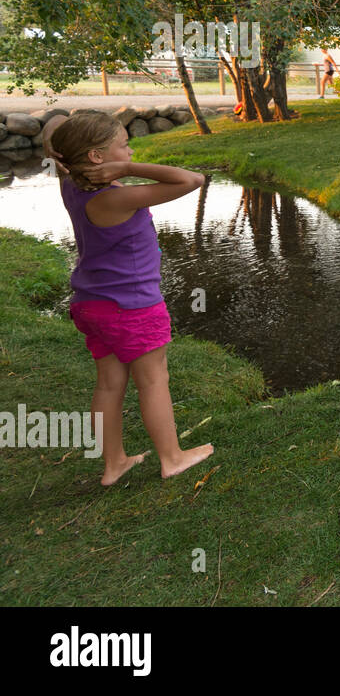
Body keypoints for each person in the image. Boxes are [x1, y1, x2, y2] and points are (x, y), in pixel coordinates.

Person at [46, 112, 214, 485]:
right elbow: (193, 179)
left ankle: (114, 464)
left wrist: (105, 161)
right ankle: (172, 458)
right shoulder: (118, 199)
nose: (130, 149)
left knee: (108, 384)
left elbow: (55, 126)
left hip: (90, 304)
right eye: (124, 145)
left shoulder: (70, 184)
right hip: (132, 307)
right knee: (154, 381)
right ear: (96, 158)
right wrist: (129, 167)